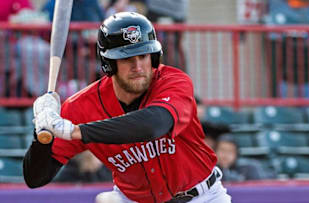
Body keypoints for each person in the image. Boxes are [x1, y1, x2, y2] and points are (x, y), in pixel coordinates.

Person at [23, 12, 231, 203]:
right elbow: (35, 178)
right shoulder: (81, 107)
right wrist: (42, 132)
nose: (138, 66)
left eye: (144, 55)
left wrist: (77, 131)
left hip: (202, 196)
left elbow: (154, 125)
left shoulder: (174, 81)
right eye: (127, 59)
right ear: (109, 64)